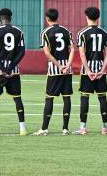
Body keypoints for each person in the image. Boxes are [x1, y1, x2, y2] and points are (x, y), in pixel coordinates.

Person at [0, 8, 27, 136]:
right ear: (10, 18)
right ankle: (22, 128)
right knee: (17, 98)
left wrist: (3, 68)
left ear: (0, 18)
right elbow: (22, 51)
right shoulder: (19, 32)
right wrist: (11, 67)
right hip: (13, 71)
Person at [33, 8, 74, 136]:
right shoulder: (66, 31)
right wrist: (67, 65)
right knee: (66, 98)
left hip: (54, 70)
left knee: (49, 98)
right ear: (58, 17)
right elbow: (72, 49)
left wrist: (59, 66)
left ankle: (44, 128)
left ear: (47, 18)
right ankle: (65, 128)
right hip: (67, 70)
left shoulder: (45, 33)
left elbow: (47, 53)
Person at [74, 6, 107, 135]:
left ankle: (83, 127)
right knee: (102, 97)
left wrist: (88, 70)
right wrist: (102, 69)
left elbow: (82, 54)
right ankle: (105, 127)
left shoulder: (82, 33)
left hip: (87, 71)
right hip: (101, 69)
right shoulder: (104, 33)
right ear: (98, 17)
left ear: (87, 17)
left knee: (85, 97)